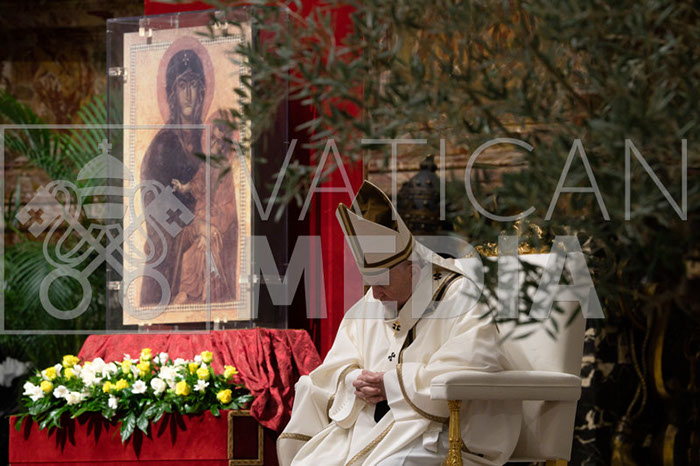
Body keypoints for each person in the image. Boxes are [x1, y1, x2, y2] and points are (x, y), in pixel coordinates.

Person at [277, 181, 522, 465]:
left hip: (440, 431)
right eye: (370, 283)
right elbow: (338, 363)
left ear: (413, 271)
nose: (375, 294)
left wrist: (393, 384)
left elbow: (474, 363)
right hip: (371, 425)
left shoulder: (461, 297)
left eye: (382, 283)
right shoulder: (374, 300)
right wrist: (354, 379)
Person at [140, 49, 206, 306]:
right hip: (169, 260)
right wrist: (192, 225)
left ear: (202, 91)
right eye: (182, 85)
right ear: (172, 94)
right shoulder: (163, 144)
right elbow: (154, 204)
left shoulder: (208, 140)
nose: (188, 94)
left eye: (193, 85)